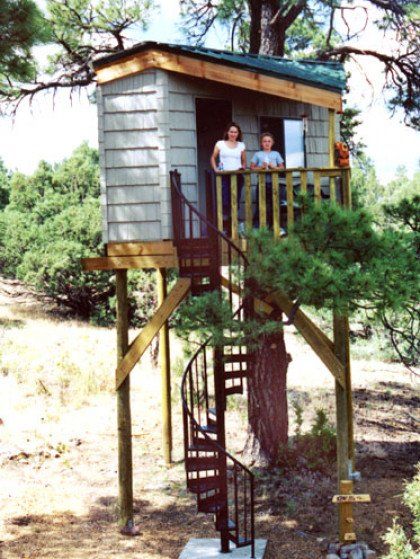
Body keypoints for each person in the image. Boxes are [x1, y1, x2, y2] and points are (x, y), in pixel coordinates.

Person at [210, 122, 246, 232]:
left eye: (235, 132)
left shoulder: (241, 145)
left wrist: (242, 168)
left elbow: (244, 161)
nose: (233, 134)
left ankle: (233, 227)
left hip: (237, 176)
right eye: (231, 131)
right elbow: (212, 157)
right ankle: (225, 226)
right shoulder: (220, 143)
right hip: (224, 176)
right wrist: (215, 169)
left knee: (235, 201)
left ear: (238, 133)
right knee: (225, 201)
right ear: (227, 132)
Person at [250, 132, 284, 229]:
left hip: (274, 183)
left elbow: (282, 168)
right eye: (264, 141)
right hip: (261, 183)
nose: (267, 143)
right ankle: (258, 227)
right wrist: (261, 167)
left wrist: (274, 167)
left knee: (275, 205)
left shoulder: (276, 154)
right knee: (261, 205)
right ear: (261, 143)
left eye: (269, 141)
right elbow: (252, 168)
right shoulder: (258, 154)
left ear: (272, 143)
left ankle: (275, 227)